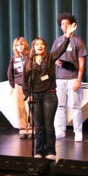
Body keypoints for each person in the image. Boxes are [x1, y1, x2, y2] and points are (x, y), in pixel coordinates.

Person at [22, 23, 77, 160]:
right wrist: (27, 95)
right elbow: (25, 80)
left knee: (48, 125)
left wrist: (67, 37)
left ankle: (50, 151)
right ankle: (39, 151)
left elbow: (61, 49)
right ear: (33, 47)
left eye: (42, 44)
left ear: (45, 46)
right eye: (37, 44)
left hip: (49, 94)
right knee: (39, 126)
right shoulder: (29, 62)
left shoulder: (50, 57)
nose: (39, 46)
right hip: (34, 95)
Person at [51, 12, 88, 142]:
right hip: (59, 78)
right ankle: (60, 130)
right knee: (60, 106)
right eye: (62, 24)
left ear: (72, 25)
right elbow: (52, 57)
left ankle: (78, 132)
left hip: (72, 78)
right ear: (60, 27)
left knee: (75, 106)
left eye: (67, 24)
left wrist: (78, 79)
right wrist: (56, 61)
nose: (64, 26)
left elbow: (82, 63)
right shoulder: (57, 41)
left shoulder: (78, 41)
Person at [7, 37, 31, 139]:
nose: (19, 47)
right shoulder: (14, 58)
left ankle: (31, 128)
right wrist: (13, 84)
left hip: (30, 85)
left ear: (25, 45)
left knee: (31, 106)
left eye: (21, 44)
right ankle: (22, 128)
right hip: (19, 85)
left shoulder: (30, 57)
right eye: (17, 45)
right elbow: (10, 72)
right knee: (20, 107)